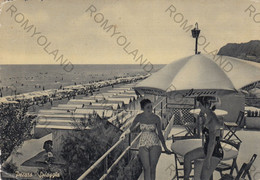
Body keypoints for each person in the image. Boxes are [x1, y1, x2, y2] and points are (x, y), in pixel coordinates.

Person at [120, 99, 171, 180]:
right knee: (146, 168)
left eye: (151, 107)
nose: (150, 109)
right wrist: (124, 134)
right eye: (148, 107)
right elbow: (131, 128)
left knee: (152, 168)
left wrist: (165, 147)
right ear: (142, 109)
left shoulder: (157, 118)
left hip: (155, 143)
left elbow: (160, 134)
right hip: (143, 143)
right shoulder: (139, 117)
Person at [184, 96, 223, 180]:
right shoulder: (207, 116)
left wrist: (208, 159)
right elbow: (201, 130)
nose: (199, 107)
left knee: (203, 178)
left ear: (206, 105)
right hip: (207, 148)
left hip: (214, 152)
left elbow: (212, 142)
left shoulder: (213, 119)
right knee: (187, 157)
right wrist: (199, 119)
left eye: (200, 105)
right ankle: (186, 178)